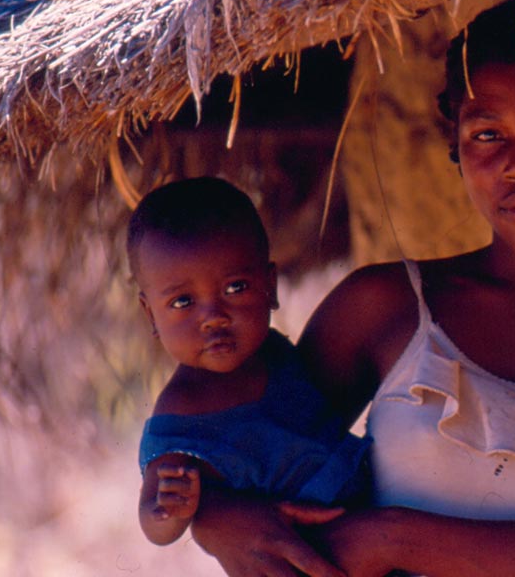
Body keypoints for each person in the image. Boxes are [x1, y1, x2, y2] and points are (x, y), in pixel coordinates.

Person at [191, 0, 515, 577]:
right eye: (487, 134)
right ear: (457, 149)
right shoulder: (385, 308)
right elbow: (232, 442)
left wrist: (394, 539)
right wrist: (213, 512)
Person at [128, 176, 371, 547]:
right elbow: (155, 522)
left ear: (269, 287)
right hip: (300, 553)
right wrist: (166, 511)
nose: (214, 316)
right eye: (182, 302)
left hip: (368, 515)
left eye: (235, 288)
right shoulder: (182, 410)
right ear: (150, 316)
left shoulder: (276, 355)